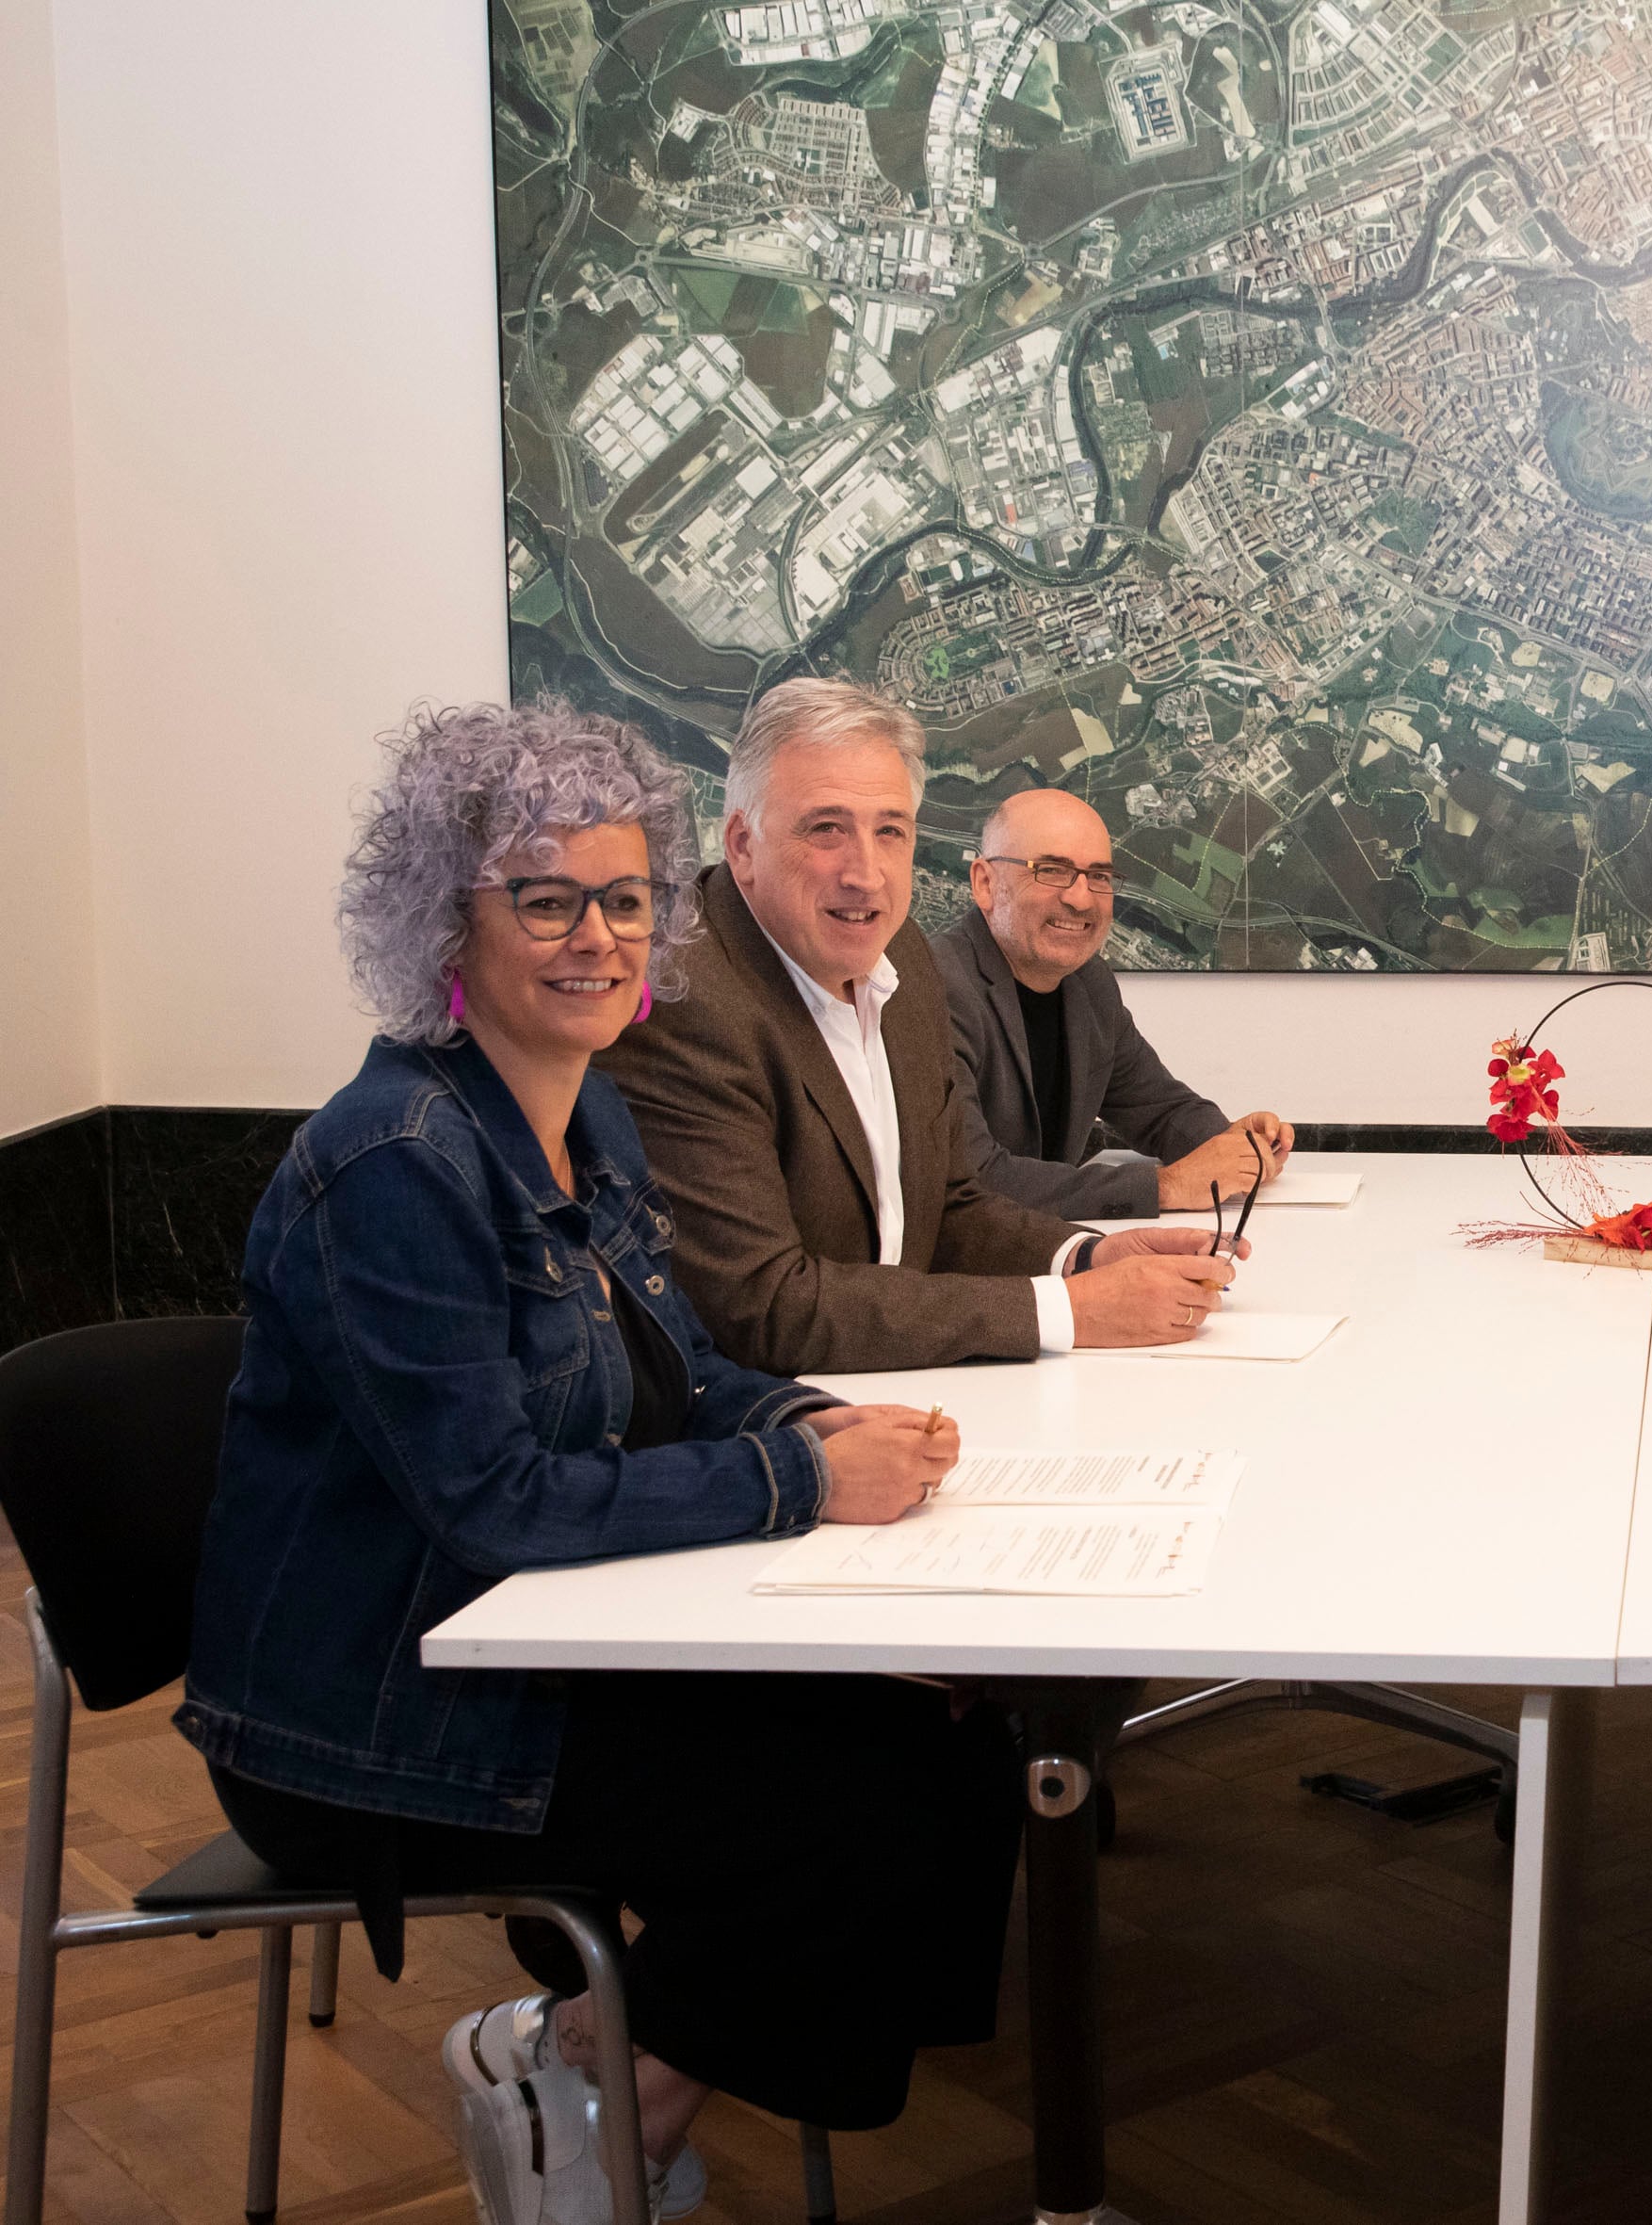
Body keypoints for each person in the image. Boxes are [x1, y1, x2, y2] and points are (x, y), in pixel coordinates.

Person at [174, 702, 996, 2225]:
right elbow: (490, 1502)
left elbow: (674, 1371)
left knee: (950, 1735)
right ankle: (581, 2074)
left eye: (623, 898)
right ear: (444, 918)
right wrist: (804, 1485)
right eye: (544, 900)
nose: (598, 937)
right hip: (374, 1715)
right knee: (858, 1811)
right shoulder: (396, 1158)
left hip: (522, 1649)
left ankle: (599, 2066)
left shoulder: (581, 1110)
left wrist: (806, 1416)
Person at [598, 679, 1240, 1373]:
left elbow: (947, 1206)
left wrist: (1086, 1255)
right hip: (769, 1425)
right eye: (826, 829)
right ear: (742, 844)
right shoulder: (681, 998)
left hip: (897, 1391)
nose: (866, 874)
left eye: (890, 831)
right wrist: (1070, 1312)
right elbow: (764, 1308)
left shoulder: (897, 953)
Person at [932, 786, 1295, 1219]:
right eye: (1051, 870)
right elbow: (973, 1178)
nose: (1081, 898)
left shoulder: (1088, 983)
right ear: (984, 883)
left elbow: (1159, 1109)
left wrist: (1232, 1143)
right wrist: (1169, 1187)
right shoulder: (935, 989)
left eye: (1099, 877)